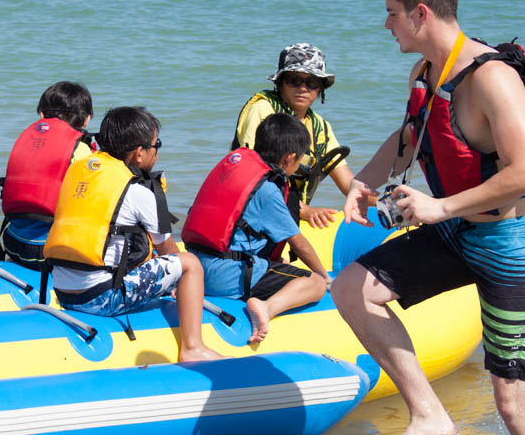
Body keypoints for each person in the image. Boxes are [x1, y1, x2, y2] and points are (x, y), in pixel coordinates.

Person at [331, 0, 525, 435]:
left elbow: (523, 171)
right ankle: (429, 415)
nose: (386, 24)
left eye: (391, 13)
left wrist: (440, 207)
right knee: (351, 288)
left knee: (512, 403)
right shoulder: (425, 72)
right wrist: (363, 184)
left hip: (508, 243)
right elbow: (410, 137)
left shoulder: (492, 80)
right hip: (455, 230)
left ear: (420, 13)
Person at [43, 106, 223, 363]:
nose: (158, 151)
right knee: (190, 264)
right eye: (156, 144)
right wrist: (178, 284)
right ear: (139, 154)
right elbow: (167, 250)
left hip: (62, 291)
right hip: (103, 299)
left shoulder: (79, 172)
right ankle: (193, 347)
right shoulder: (138, 191)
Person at [183, 114, 331, 344]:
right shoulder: (267, 190)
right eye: (299, 160)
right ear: (289, 157)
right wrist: (324, 275)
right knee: (315, 284)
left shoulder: (233, 171)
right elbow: (299, 243)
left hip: (195, 271)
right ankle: (266, 307)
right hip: (227, 278)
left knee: (279, 265)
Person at [232, 43, 355, 228]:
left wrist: (387, 203)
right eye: (294, 80)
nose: (303, 88)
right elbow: (253, 174)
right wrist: (303, 210)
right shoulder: (263, 110)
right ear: (280, 83)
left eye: (312, 82)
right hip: (251, 215)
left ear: (321, 89)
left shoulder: (320, 127)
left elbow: (349, 185)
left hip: (289, 217)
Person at [0, 82, 95, 280]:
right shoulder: (82, 150)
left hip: (11, 241)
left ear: (42, 114)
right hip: (49, 251)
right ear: (86, 119)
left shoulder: (27, 139)